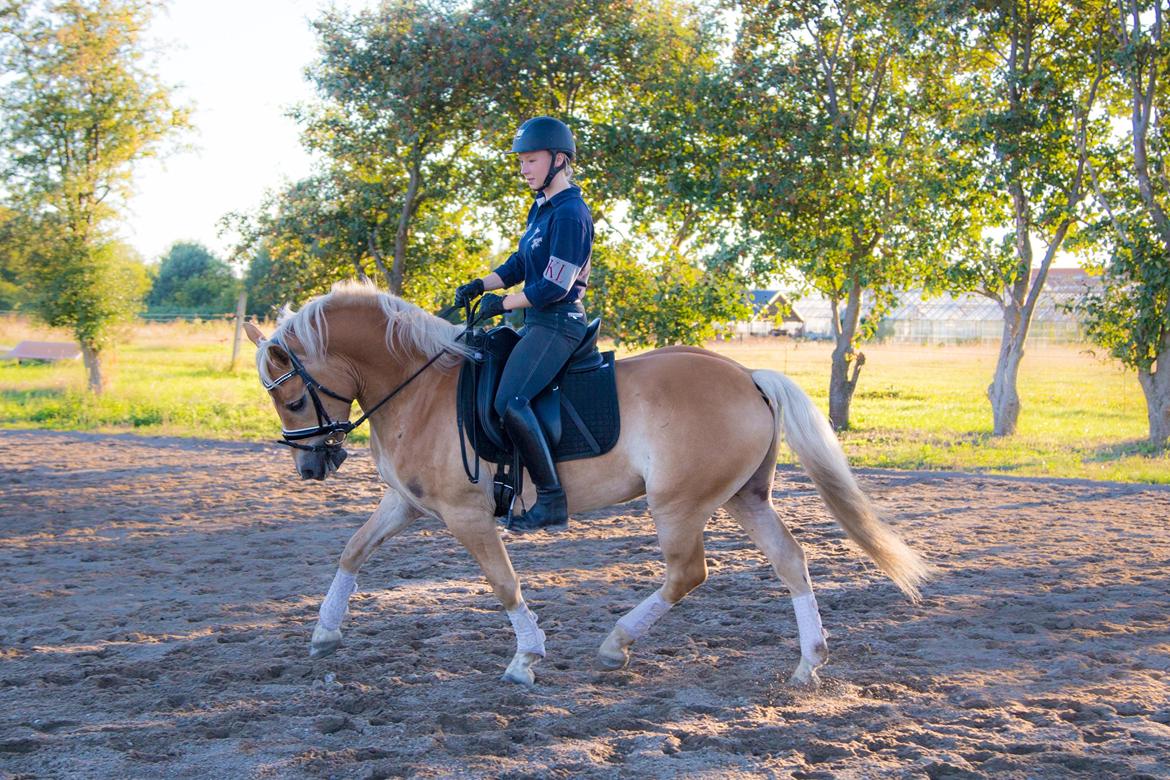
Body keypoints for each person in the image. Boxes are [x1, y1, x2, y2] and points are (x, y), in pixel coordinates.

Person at [453, 116, 593, 533]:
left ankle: (550, 499)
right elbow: (520, 264)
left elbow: (553, 284)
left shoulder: (570, 214)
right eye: (521, 162)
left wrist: (504, 303)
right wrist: (482, 283)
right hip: (537, 321)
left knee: (510, 401)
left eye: (530, 160)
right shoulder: (541, 209)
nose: (524, 169)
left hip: (559, 322)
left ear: (560, 160)